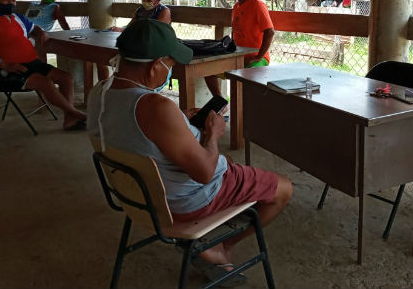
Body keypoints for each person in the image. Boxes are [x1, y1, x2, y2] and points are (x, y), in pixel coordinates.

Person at [87, 19, 292, 284]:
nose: (170, 71)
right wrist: (214, 135)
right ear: (153, 67)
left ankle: (222, 227)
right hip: (181, 204)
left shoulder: (99, 93)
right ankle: (220, 249)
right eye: (170, 65)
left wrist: (180, 120)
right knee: (283, 188)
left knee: (227, 162)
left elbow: (135, 129)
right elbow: (206, 173)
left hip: (135, 196)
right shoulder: (155, 107)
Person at [0, 0, 87, 131]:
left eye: (13, 0)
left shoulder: (16, 16)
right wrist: (4, 64)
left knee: (66, 78)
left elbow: (34, 28)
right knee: (45, 83)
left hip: (32, 62)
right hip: (8, 70)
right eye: (6, 0)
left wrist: (41, 32)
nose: (11, 3)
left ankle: (70, 120)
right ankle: (78, 114)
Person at [205, 0, 275, 97]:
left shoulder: (257, 5)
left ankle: (244, 112)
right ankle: (220, 102)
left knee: (245, 78)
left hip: (256, 58)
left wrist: (259, 56)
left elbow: (270, 32)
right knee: (208, 71)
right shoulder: (237, 6)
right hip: (237, 56)